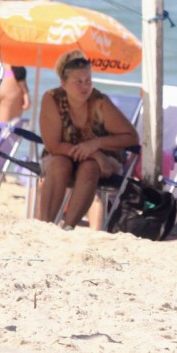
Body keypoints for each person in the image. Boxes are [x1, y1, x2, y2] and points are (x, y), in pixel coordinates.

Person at [36, 49, 139, 230]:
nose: (85, 87)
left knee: (90, 168)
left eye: (88, 81)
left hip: (100, 164)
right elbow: (53, 146)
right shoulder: (52, 99)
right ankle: (45, 228)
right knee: (61, 164)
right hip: (60, 157)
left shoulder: (99, 102)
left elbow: (132, 137)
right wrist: (96, 154)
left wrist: (96, 145)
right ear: (64, 83)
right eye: (78, 82)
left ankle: (68, 227)